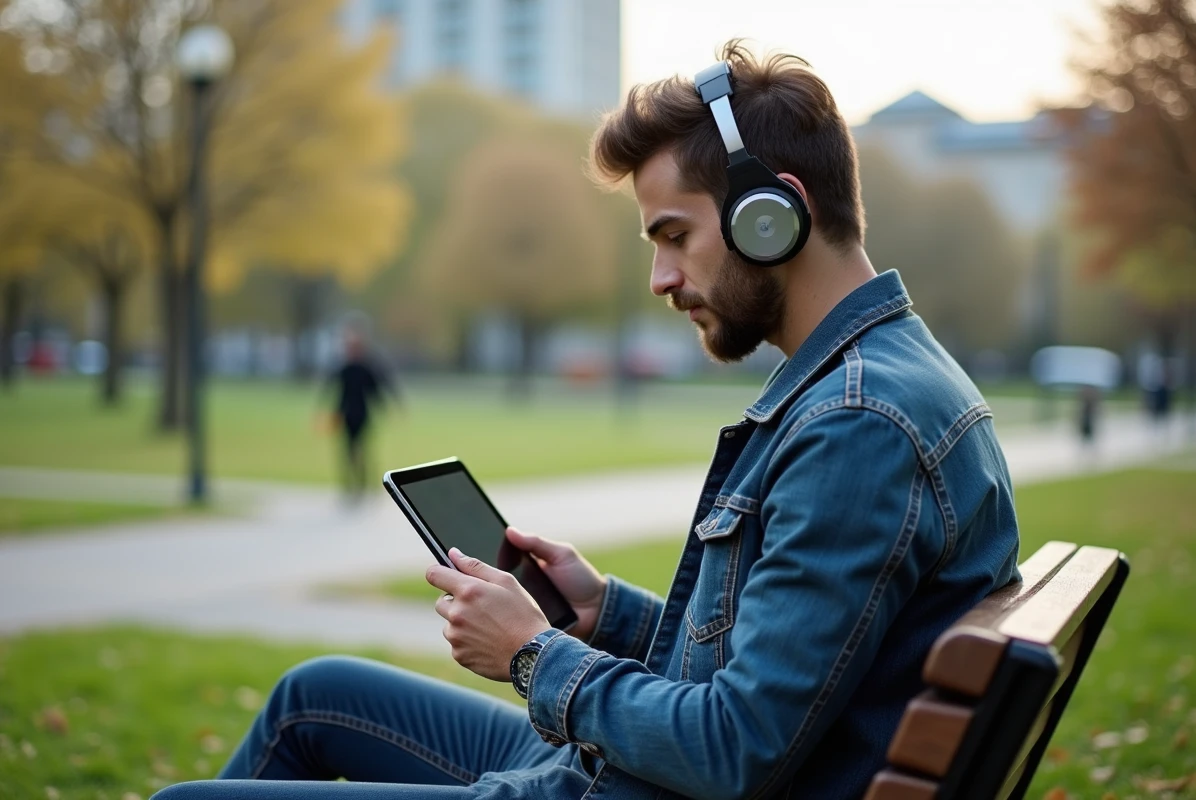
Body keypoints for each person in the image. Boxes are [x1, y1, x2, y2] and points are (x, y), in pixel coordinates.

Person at [155, 41, 1020, 800]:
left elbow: (734, 747)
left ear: (772, 214)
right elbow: (777, 680)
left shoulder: (858, 424)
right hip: (628, 774)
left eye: (674, 235)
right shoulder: (886, 379)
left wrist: (532, 653)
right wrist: (607, 614)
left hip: (632, 788)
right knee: (313, 696)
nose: (661, 278)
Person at [323, 324, 396, 502]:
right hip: (346, 415)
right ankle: (350, 487)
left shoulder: (366, 368)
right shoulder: (345, 367)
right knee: (347, 453)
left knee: (363, 451)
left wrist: (386, 406)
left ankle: (363, 486)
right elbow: (333, 388)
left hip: (362, 415)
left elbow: (377, 389)